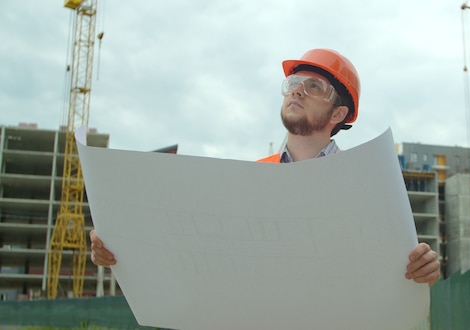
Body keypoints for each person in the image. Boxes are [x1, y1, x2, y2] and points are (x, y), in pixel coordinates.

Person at [90, 48, 441, 286]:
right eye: (293, 84)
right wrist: (122, 248)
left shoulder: (368, 185)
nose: (297, 91)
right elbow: (200, 253)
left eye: (313, 86)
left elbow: (388, 271)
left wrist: (421, 269)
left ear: (338, 114)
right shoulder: (252, 179)